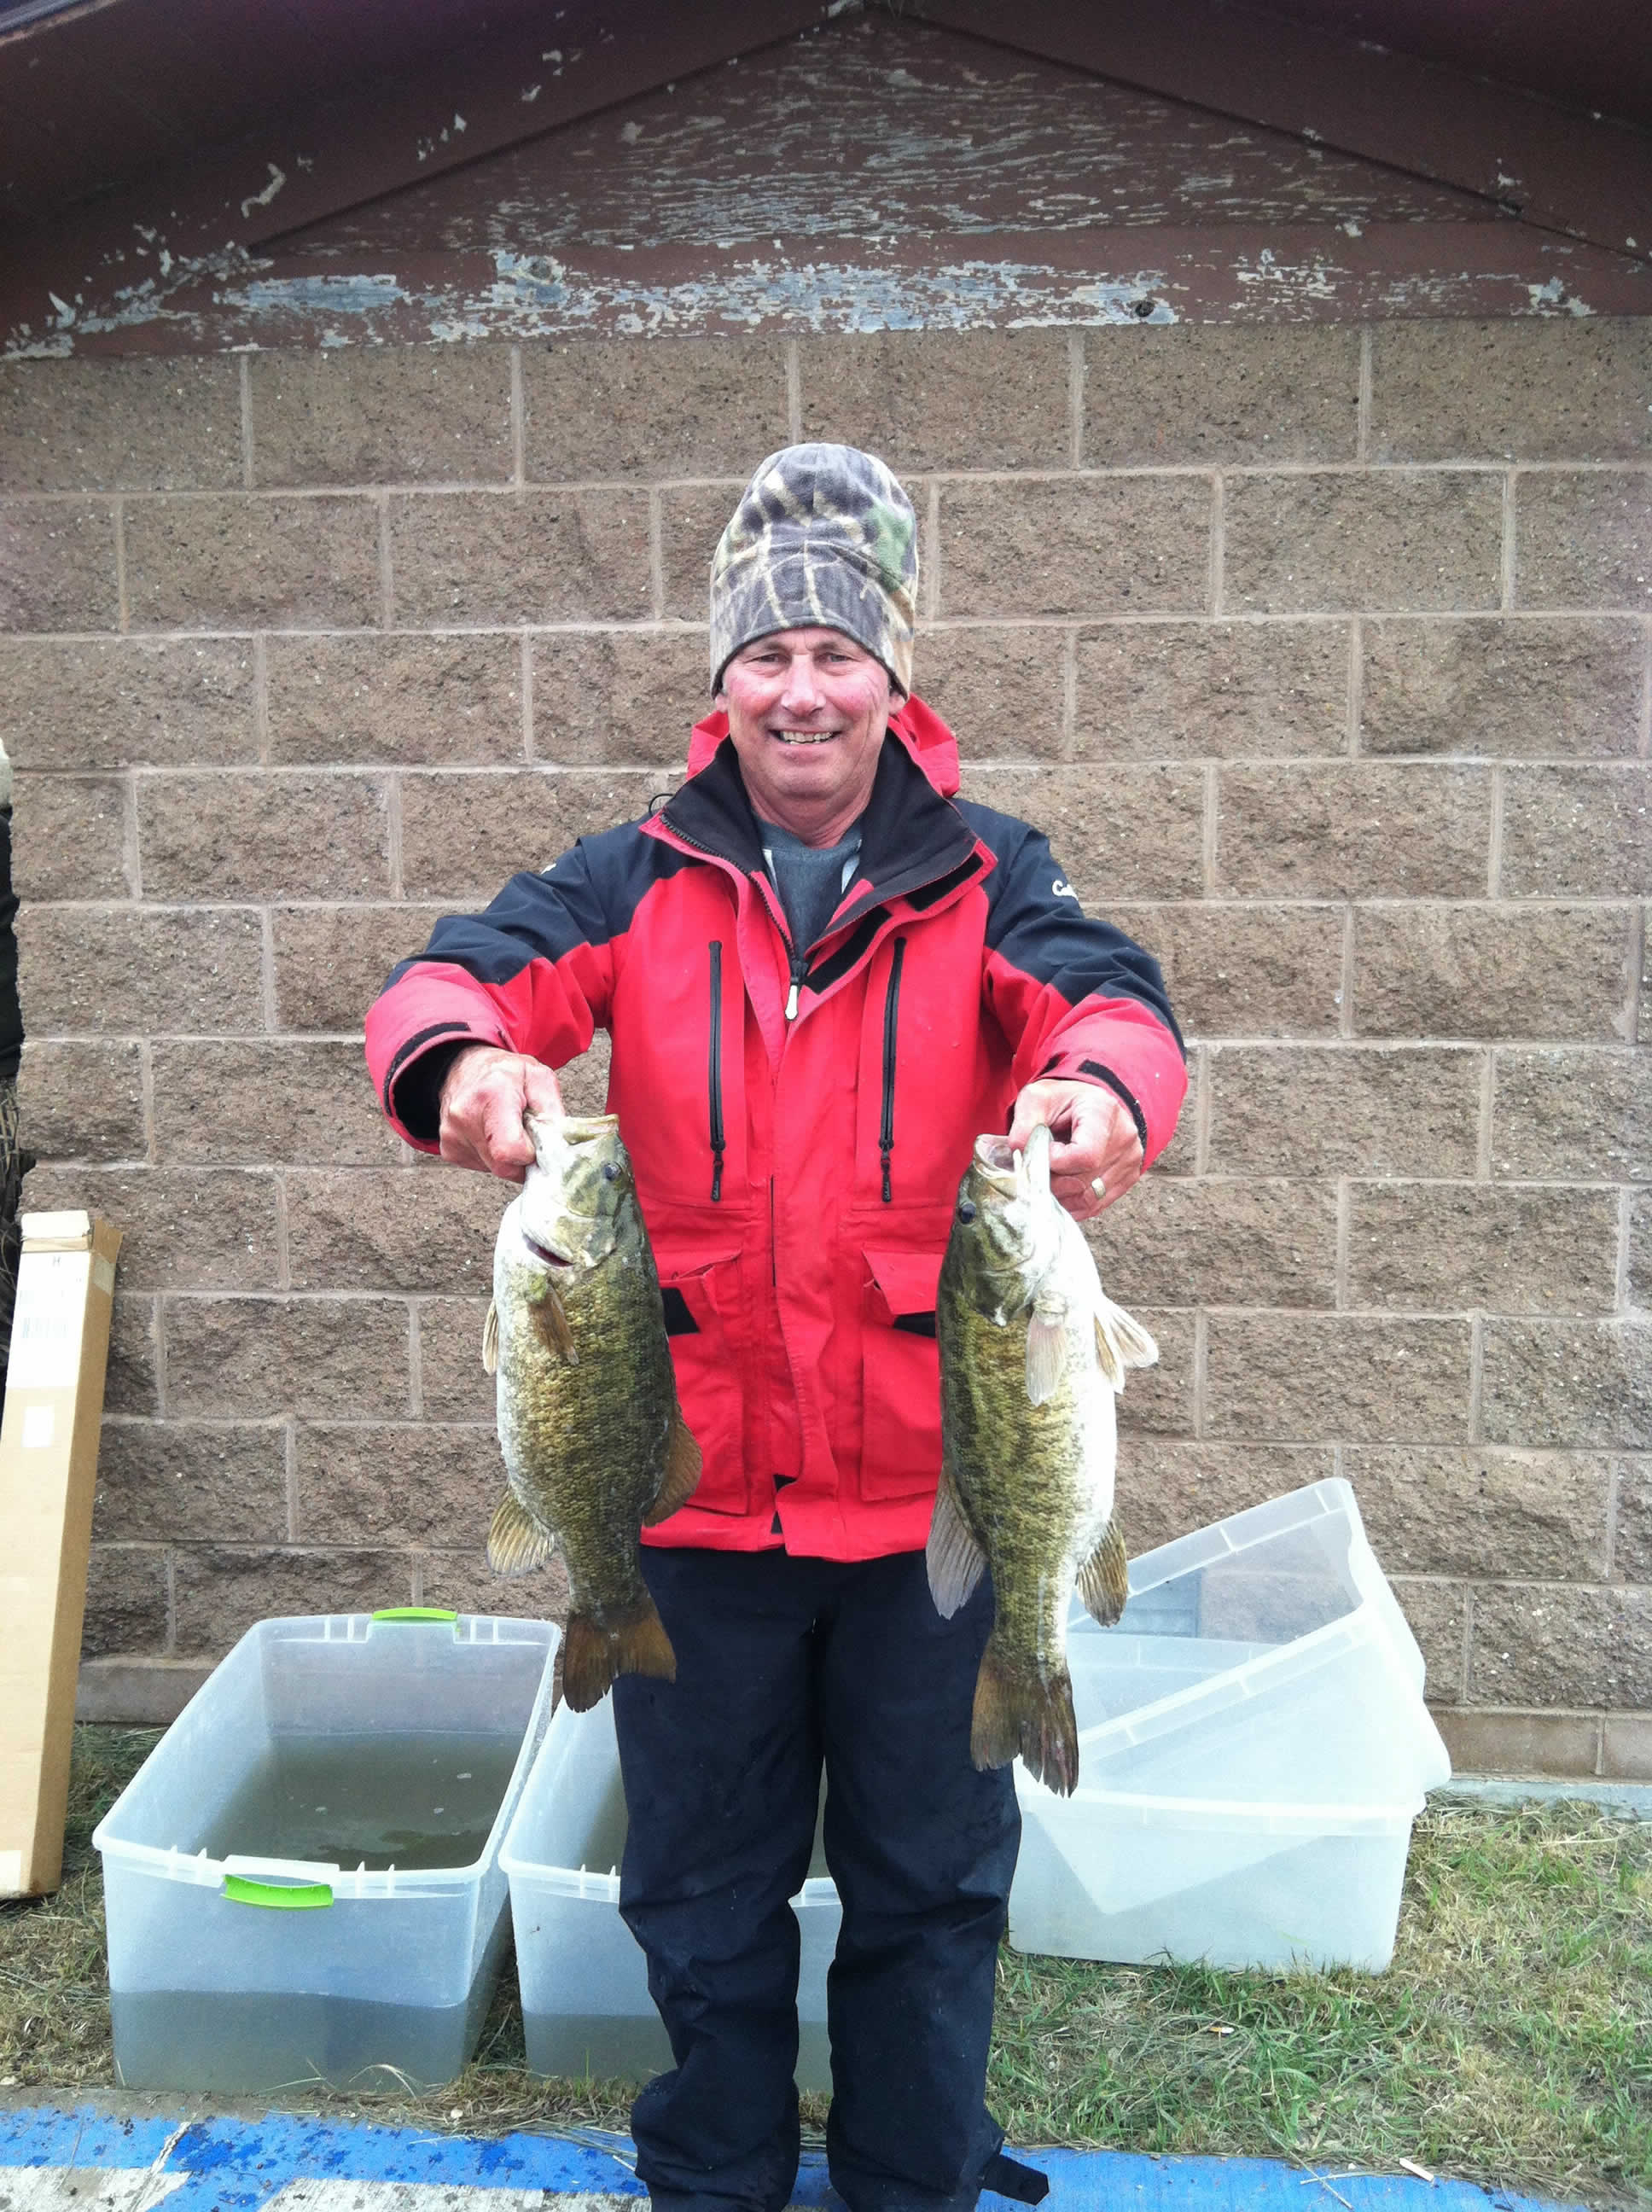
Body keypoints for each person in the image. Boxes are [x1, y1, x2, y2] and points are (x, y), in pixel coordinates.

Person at [364, 445, 1186, 2212]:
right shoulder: (629, 877)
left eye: (836, 654)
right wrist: (462, 1063)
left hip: (931, 1531)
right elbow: (448, 978)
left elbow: (1109, 1000)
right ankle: (716, 2180)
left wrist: (1107, 1092)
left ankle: (911, 2181)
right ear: (720, 680)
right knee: (699, 1897)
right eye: (766, 654)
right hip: (691, 1529)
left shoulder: (990, 874)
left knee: (931, 1892)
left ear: (894, 676)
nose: (801, 691)